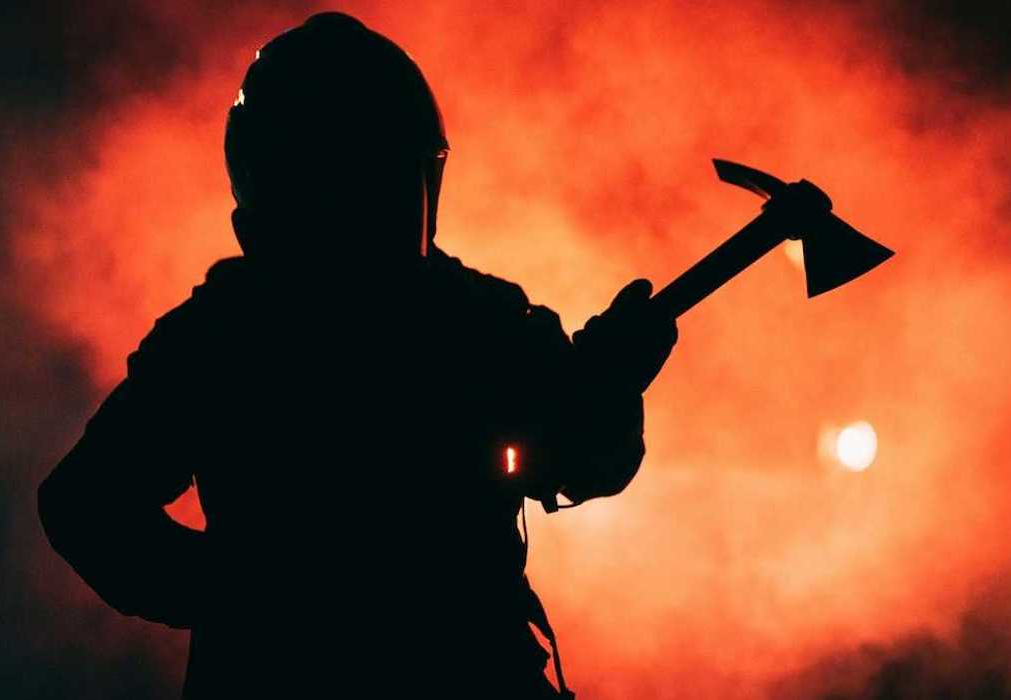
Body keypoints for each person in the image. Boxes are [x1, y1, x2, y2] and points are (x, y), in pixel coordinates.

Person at [38, 12, 677, 699]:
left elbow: (577, 459)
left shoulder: (230, 334)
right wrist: (246, 595)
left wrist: (606, 386)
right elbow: (84, 505)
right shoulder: (235, 336)